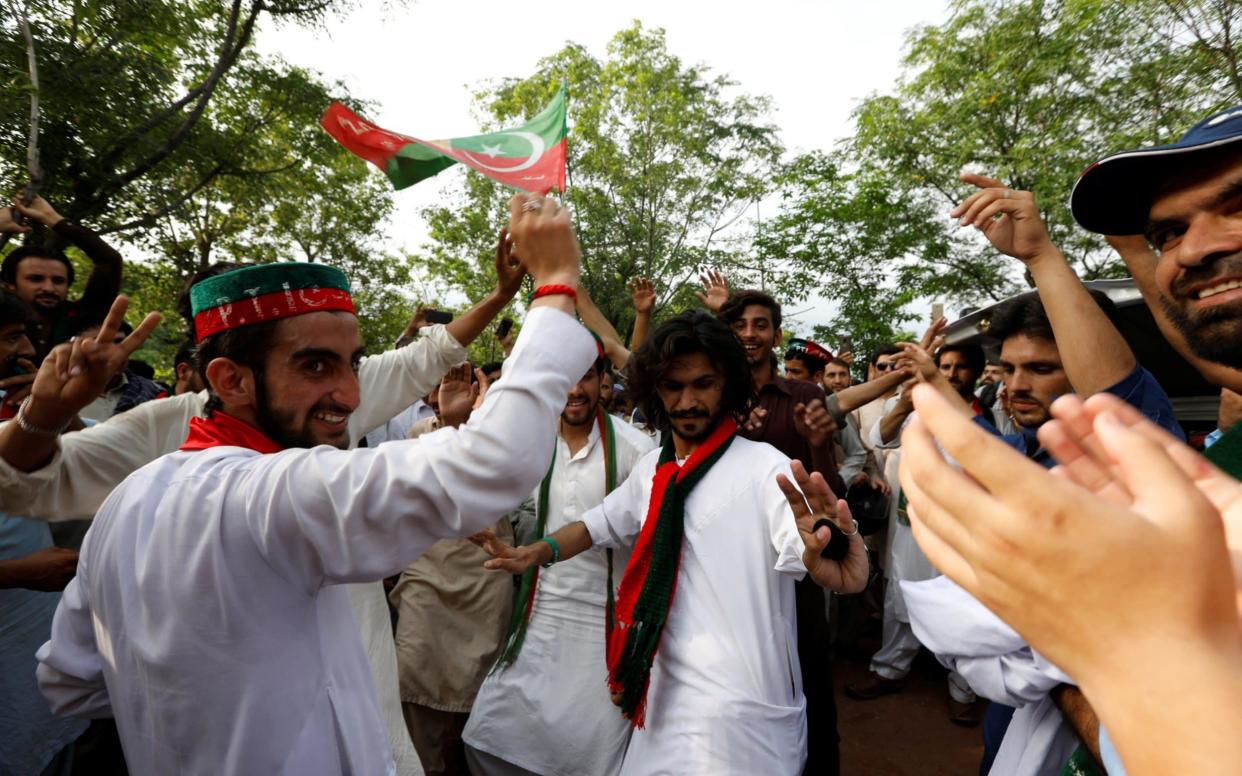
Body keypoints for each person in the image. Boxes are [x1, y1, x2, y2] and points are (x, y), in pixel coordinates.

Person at [33, 194, 594, 774]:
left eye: (352, 363)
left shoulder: (125, 505)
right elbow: (490, 464)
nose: (351, 396)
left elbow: (70, 681)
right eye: (315, 366)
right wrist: (553, 285)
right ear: (230, 380)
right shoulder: (271, 491)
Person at [474, 310, 868, 775]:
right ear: (654, 392)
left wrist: (830, 545)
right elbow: (597, 523)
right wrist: (537, 552)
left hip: (740, 718)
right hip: (660, 704)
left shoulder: (767, 468)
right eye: (673, 386)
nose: (687, 401)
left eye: (703, 384)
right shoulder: (654, 472)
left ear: (729, 385)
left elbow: (803, 534)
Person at [896, 172, 1183, 776]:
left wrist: (1040, 256)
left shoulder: (1125, 447)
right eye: (1009, 368)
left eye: (1043, 368)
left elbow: (1115, 392)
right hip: (1015, 724)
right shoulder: (1022, 450)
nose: (1018, 384)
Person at [463, 348, 655, 776]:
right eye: (564, 377)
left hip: (604, 622)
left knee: (589, 756)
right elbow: (475, 478)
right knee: (487, 734)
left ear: (602, 379)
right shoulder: (530, 443)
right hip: (541, 610)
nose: (574, 390)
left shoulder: (635, 451)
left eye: (585, 377)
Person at [717, 287, 845, 775]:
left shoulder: (806, 396)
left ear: (776, 332)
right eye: (739, 325)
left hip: (796, 567)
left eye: (760, 324)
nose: (750, 334)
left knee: (808, 670)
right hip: (729, 566)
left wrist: (817, 447)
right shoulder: (715, 393)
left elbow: (828, 496)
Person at [388, 365, 512, 776]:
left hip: (485, 581)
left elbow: (497, 481)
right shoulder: (419, 435)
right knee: (417, 696)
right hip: (426, 579)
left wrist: (472, 423)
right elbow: (415, 489)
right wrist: (452, 423)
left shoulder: (507, 440)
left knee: (477, 715)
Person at [0, 288, 89, 776]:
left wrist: (56, 409)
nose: (28, 352)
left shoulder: (16, 410)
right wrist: (12, 574)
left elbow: (92, 455)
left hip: (35, 675)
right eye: (12, 337)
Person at [0, 195, 123, 357]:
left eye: (58, 281)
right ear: (10, 284)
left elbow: (109, 261)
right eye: (35, 279)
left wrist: (52, 218)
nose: (49, 288)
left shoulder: (84, 317)